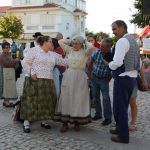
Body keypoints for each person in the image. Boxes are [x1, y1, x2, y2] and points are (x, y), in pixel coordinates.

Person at [20, 36, 66, 133]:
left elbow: (63, 62)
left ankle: (44, 121)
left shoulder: (52, 54)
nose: (52, 44)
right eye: (50, 42)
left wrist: (74, 55)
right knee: (31, 101)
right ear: (45, 42)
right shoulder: (34, 50)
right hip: (34, 80)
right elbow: (25, 62)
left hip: (48, 81)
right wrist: (32, 72)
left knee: (46, 101)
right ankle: (26, 123)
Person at [109, 20, 140, 143]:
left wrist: (110, 65)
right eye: (112, 29)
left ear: (122, 27)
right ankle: (120, 129)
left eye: (115, 29)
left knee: (120, 108)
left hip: (122, 78)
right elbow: (139, 62)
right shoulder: (133, 41)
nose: (113, 32)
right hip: (131, 79)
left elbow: (117, 62)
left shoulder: (122, 41)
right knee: (120, 106)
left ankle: (123, 136)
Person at [54, 35, 93, 132]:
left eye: (77, 43)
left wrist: (84, 40)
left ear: (81, 44)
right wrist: (71, 39)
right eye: (74, 43)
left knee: (78, 98)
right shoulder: (69, 50)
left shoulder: (85, 52)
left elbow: (91, 47)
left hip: (80, 77)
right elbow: (60, 42)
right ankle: (65, 122)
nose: (75, 45)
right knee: (66, 97)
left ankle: (77, 121)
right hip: (69, 75)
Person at [88, 38, 113, 126]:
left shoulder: (112, 54)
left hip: (104, 79)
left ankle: (108, 117)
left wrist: (109, 78)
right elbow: (90, 62)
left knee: (106, 98)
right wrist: (90, 73)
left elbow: (113, 69)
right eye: (100, 45)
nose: (100, 47)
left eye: (102, 46)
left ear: (108, 47)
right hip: (95, 78)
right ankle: (98, 114)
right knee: (95, 96)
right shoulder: (97, 52)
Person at [0, 42, 18, 107]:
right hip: (6, 73)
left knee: (8, 88)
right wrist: (16, 61)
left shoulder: (8, 54)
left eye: (9, 47)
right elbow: (8, 63)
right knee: (6, 88)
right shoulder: (2, 55)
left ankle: (6, 102)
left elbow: (11, 62)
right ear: (3, 48)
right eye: (6, 48)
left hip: (9, 72)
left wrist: (14, 61)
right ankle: (6, 103)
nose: (8, 49)